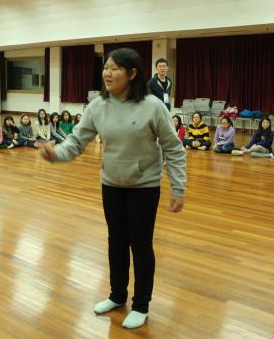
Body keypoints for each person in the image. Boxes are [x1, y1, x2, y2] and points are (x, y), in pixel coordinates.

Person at [41, 48, 186, 330]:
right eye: (106, 67)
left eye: (115, 68)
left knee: (140, 245)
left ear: (132, 73)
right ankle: (117, 295)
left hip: (144, 186)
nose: (107, 73)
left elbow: (174, 148)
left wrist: (178, 187)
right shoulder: (97, 106)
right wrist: (55, 154)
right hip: (111, 184)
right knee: (116, 242)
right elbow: (76, 141)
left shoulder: (153, 106)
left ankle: (141, 305)